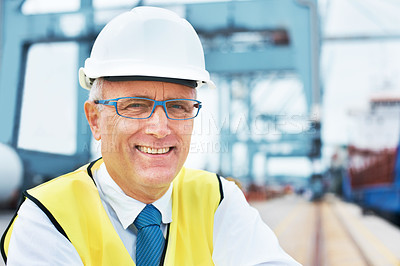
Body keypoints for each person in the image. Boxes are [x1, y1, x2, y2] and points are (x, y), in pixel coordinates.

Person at [1, 6, 301, 266]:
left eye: (179, 107)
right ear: (95, 120)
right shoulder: (47, 219)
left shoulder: (218, 201)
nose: (160, 128)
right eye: (135, 106)